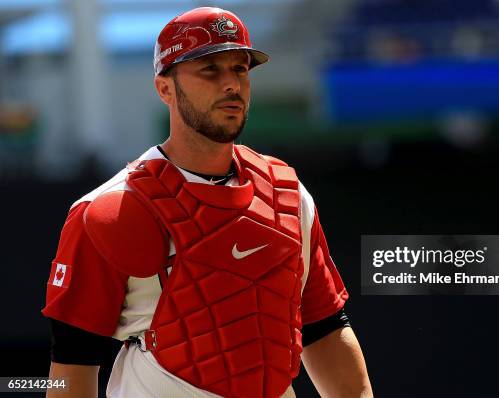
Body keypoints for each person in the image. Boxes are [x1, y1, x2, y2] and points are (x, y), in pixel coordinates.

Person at [42, 6, 373, 398]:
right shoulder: (109, 211)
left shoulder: (288, 194)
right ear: (165, 88)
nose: (231, 84)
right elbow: (72, 369)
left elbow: (325, 328)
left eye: (240, 69)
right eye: (210, 70)